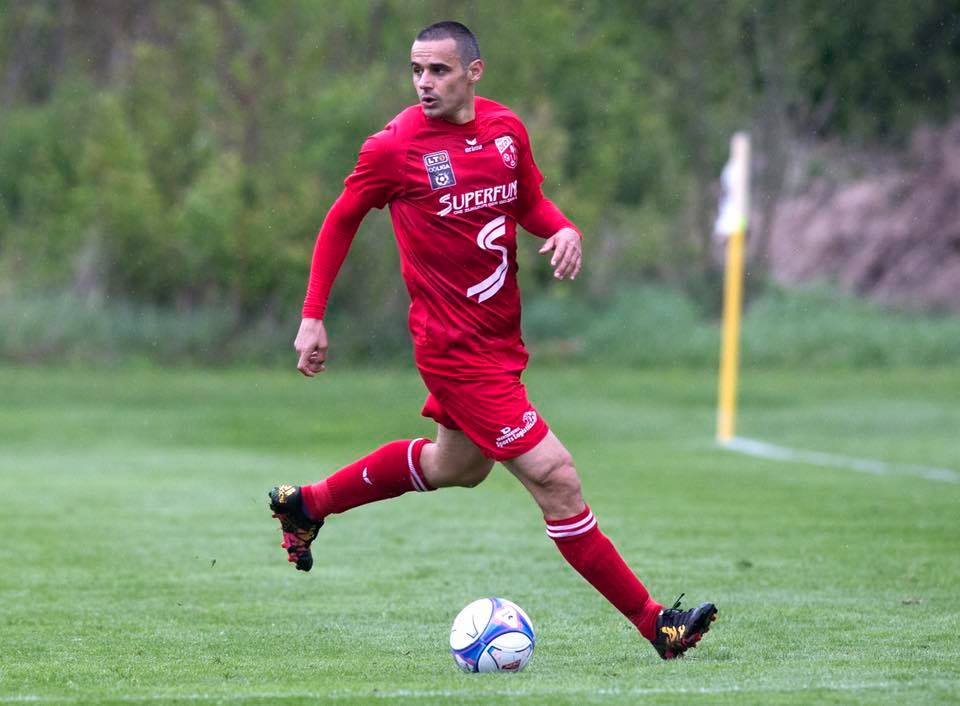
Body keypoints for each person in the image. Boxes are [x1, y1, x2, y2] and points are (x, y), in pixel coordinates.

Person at [269, 20, 717, 660]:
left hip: (499, 341)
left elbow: (528, 202)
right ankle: (657, 625)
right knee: (556, 477)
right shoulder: (394, 148)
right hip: (454, 351)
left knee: (457, 467)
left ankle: (308, 505)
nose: (424, 83)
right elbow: (341, 220)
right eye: (417, 70)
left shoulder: (505, 130)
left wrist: (563, 228)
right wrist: (313, 315)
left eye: (439, 70)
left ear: (473, 72)